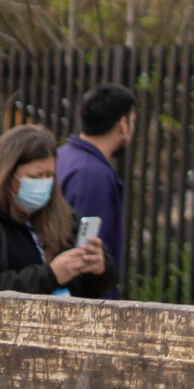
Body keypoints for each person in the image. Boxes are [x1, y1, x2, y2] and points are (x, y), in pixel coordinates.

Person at [0, 124, 109, 296]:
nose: (44, 183)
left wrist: (99, 269)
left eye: (49, 175)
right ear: (5, 175)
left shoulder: (63, 215)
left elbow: (92, 290)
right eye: (35, 176)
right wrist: (50, 276)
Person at [56, 82, 135, 301]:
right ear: (123, 125)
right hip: (84, 303)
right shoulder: (93, 174)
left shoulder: (63, 156)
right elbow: (89, 254)